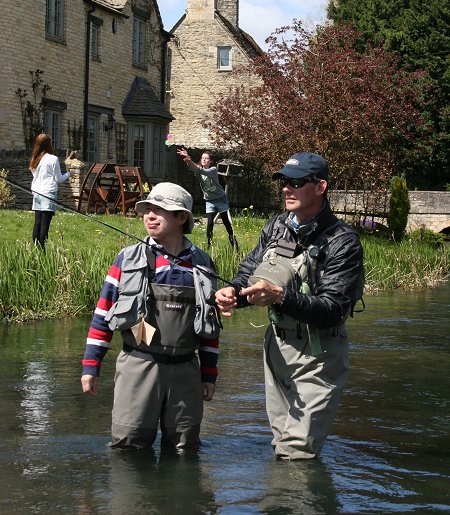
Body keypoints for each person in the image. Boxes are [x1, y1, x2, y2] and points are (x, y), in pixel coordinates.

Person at [215, 152, 364, 460]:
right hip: (277, 347)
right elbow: (248, 272)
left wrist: (281, 296)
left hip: (319, 354)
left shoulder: (342, 241)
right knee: (280, 445)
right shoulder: (277, 225)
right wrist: (232, 292)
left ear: (320, 187)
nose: (286, 189)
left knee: (297, 453)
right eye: (283, 182)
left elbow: (332, 310)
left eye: (296, 183)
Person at [81, 182, 219, 453]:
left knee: (184, 450)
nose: (149, 216)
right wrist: (90, 366)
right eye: (147, 210)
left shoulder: (203, 265)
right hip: (138, 364)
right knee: (128, 448)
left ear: (182, 218)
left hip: (186, 372)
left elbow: (210, 329)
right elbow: (101, 316)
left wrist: (209, 375)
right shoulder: (126, 259)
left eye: (159, 210)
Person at [177, 147, 238, 249]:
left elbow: (200, 170)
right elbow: (194, 168)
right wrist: (188, 160)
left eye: (206, 158)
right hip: (209, 201)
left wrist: (189, 159)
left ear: (211, 161)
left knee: (226, 221)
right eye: (202, 158)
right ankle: (209, 244)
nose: (204, 160)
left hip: (220, 199)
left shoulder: (213, 170)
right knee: (210, 223)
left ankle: (233, 240)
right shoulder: (199, 171)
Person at [29, 133, 72, 247]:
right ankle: (42, 252)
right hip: (48, 193)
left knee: (37, 223)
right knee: (44, 226)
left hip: (37, 193)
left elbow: (35, 176)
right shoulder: (53, 159)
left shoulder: (35, 159)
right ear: (49, 144)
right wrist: (68, 174)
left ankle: (35, 250)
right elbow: (58, 179)